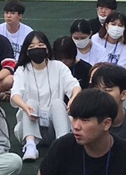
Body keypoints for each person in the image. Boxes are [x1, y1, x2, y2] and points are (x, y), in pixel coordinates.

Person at [11, 31, 81, 161]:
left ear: (47, 49)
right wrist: (25, 107)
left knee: (58, 103)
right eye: (32, 47)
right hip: (30, 124)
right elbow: (15, 94)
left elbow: (74, 86)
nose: (36, 49)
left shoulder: (58, 67)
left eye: (40, 45)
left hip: (53, 126)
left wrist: (73, 99)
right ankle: (30, 146)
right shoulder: (22, 70)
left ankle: (62, 145)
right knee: (30, 102)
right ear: (27, 52)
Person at [69, 19, 100, 83]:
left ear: (90, 34)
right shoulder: (68, 50)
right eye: (76, 38)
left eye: (83, 38)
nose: (79, 40)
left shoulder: (100, 50)